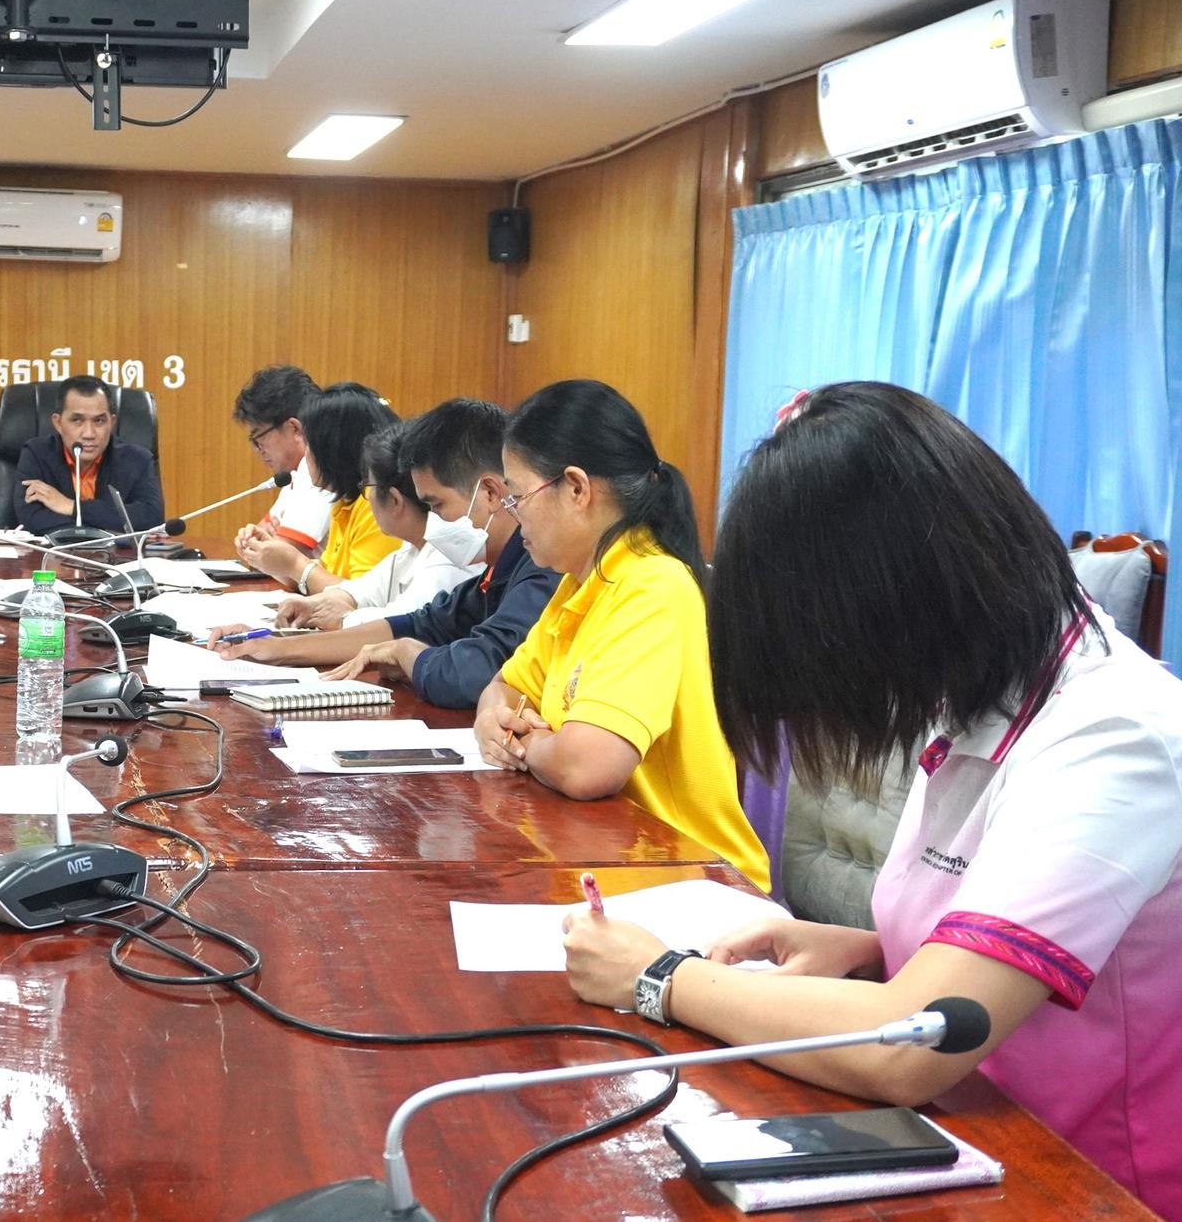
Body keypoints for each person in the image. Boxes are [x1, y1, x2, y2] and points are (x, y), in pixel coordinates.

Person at [561, 383, 1181, 1219]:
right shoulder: (979, 692)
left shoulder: (1118, 737)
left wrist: (659, 976)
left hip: (1086, 1185)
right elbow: (994, 966)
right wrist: (869, 947)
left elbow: (918, 1038)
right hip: (958, 1138)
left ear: (898, 600)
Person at [472, 380, 768, 889]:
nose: (511, 515)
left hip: (693, 879)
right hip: (610, 856)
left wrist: (526, 747)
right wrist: (494, 722)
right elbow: (504, 686)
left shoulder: (652, 584)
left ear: (577, 488)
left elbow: (588, 765)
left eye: (518, 497)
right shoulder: (582, 581)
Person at [213, 399, 560, 709]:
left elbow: (474, 671)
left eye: (436, 505)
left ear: (490, 493)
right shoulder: (498, 568)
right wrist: (277, 649)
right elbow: (420, 624)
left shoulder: (543, 565)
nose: (431, 522)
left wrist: (408, 654)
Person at [272, 422, 481, 631]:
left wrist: (344, 619)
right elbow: (364, 590)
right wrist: (316, 604)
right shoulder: (413, 548)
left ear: (394, 499)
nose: (367, 498)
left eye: (367, 486)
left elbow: (404, 625)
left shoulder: (448, 561)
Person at [237, 382, 399, 588]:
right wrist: (273, 559)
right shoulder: (343, 503)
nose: (305, 455)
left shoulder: (373, 505)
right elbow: (319, 581)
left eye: (310, 444)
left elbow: (363, 599)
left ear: (333, 449)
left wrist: (293, 563)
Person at [13, 375, 164, 537]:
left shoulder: (137, 460)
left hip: (116, 561)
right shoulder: (36, 454)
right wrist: (109, 524)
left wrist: (72, 507)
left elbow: (151, 518)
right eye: (77, 420)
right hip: (49, 558)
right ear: (58, 423)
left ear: (111, 423)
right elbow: (32, 520)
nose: (89, 434)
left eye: (99, 421)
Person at [230, 364, 334, 562]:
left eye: (258, 437)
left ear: (294, 428)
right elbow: (256, 542)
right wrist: (264, 545)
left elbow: (276, 560)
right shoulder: (295, 475)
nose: (258, 449)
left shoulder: (321, 474)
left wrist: (268, 546)